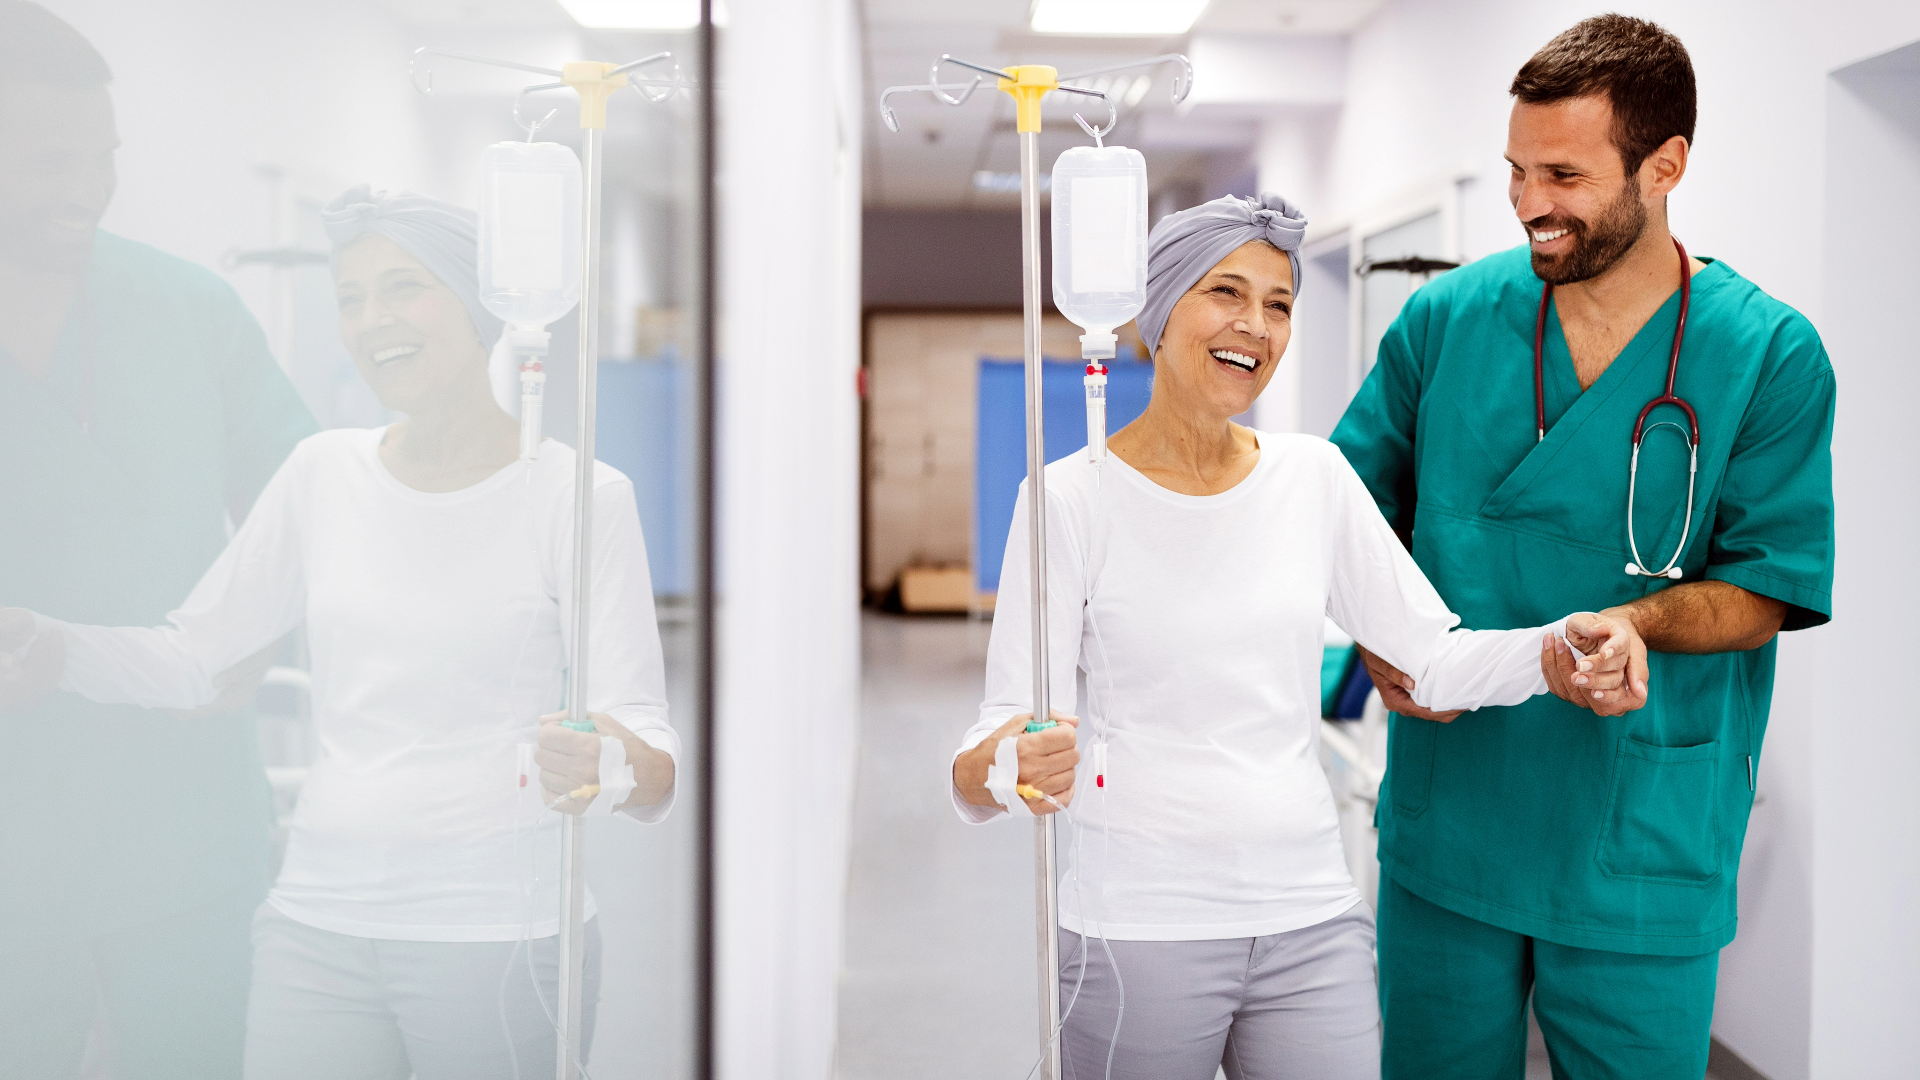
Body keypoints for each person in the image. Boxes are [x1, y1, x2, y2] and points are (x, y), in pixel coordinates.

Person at [948, 193, 1645, 1080]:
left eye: (1279, 303)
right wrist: (1007, 766)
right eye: (1226, 293)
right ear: (1157, 314)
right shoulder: (1067, 502)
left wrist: (1557, 652)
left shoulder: (1313, 474)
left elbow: (1430, 659)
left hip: (1309, 920)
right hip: (1139, 930)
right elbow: (992, 745)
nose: (1258, 325)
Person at [0, 186, 678, 1080]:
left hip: (497, 938)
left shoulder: (578, 496)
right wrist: (49, 645)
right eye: (351, 298)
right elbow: (198, 660)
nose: (371, 320)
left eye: (403, 287)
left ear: (482, 305)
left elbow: (654, 764)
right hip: (315, 929)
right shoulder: (322, 474)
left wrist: (607, 763)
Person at [1330, 16, 1836, 1080]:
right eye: (1518, 169)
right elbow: (1344, 510)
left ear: (1666, 166)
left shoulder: (1768, 355)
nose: (1528, 204)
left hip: (1637, 837)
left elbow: (1770, 584)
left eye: (1563, 173)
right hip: (1450, 820)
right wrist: (1376, 638)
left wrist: (1638, 623)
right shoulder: (1447, 322)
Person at [0, 4, 317, 1076]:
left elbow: (303, 504)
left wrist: (261, 634)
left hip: (180, 823)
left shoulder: (191, 311)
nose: (87, 187)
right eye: (51, 160)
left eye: (104, 157)